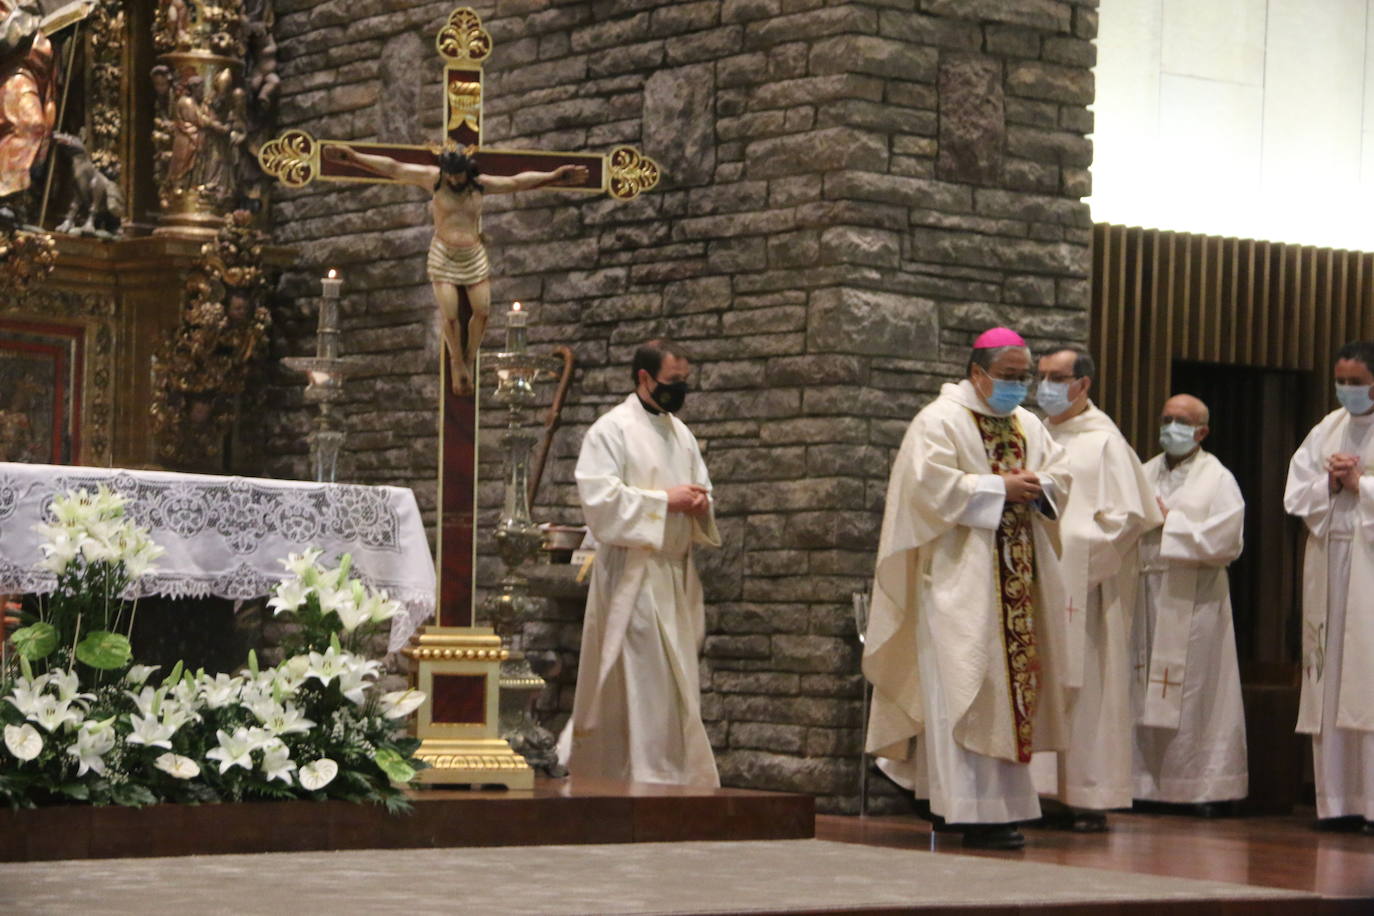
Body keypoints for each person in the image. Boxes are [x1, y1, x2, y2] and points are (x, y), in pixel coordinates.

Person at [863, 327, 1073, 850]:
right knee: (962, 687)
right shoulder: (937, 421)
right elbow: (925, 489)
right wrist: (997, 488)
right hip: (957, 584)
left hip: (1016, 581)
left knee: (1006, 694)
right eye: (1008, 377)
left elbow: (1059, 476)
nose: (1018, 387)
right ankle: (960, 808)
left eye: (1023, 377)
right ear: (976, 373)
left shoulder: (1027, 423)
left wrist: (1040, 487)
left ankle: (997, 810)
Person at [556, 339, 721, 786]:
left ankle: (669, 773)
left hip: (672, 574)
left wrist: (701, 504)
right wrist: (664, 501)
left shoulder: (680, 433)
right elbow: (600, 499)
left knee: (673, 680)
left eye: (684, 382)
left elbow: (701, 488)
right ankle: (639, 774)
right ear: (644, 378)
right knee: (641, 677)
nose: (679, 391)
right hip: (631, 572)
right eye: (672, 382)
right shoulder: (611, 431)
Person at [323, 143, 587, 396]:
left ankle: (470, 357)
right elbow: (394, 167)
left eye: (458, 174)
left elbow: (518, 181)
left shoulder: (479, 186)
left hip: (472, 254)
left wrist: (554, 176)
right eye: (450, 174)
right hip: (443, 255)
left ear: (467, 169)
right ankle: (457, 362)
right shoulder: (434, 180)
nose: (454, 180)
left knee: (482, 312)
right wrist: (353, 157)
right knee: (450, 318)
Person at [1028, 345, 1163, 832]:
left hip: (1087, 593)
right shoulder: (1035, 434)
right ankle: (1039, 793)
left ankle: (1086, 796)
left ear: (1083, 384)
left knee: (1088, 693)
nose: (1044, 386)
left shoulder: (1105, 443)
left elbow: (1130, 519)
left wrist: (1077, 552)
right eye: (1040, 375)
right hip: (1042, 587)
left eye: (1056, 377)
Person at [1131, 394, 1247, 812]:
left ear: (1202, 432)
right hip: (1145, 592)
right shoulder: (1141, 472)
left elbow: (1228, 540)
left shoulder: (1218, 479)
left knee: (1196, 694)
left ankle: (1201, 788)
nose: (1170, 428)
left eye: (1181, 422)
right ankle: (1141, 784)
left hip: (1194, 600)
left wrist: (1169, 523)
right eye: (1166, 419)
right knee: (1142, 689)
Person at [1284, 341, 1374, 834]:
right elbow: (1296, 492)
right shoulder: (1327, 426)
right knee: (1331, 678)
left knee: (1368, 679)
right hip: (1330, 558)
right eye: (1341, 381)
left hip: (1370, 567)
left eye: (1357, 382)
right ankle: (1337, 801)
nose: (1347, 391)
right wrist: (1331, 485)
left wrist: (1362, 485)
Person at [0, 1, 56, 219]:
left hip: (35, 68)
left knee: (37, 127)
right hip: (12, 69)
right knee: (29, 124)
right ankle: (7, 196)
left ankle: (14, 197)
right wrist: (26, 16)